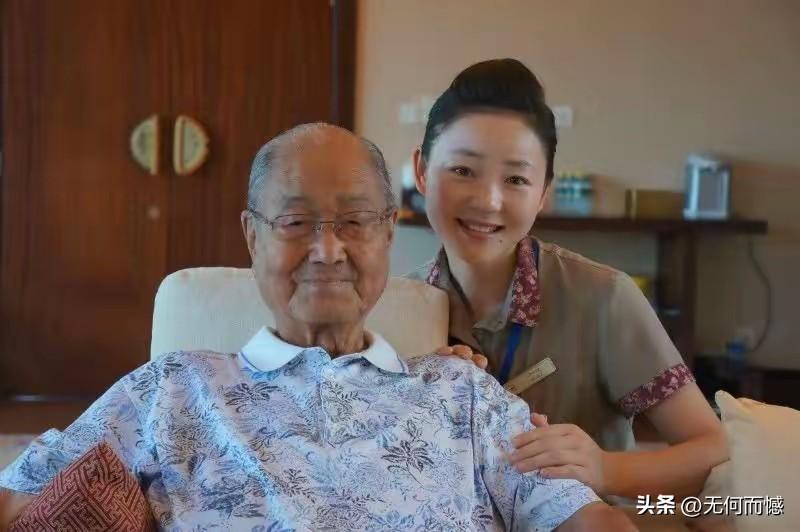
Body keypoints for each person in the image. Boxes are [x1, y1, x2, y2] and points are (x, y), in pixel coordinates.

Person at [0, 123, 633, 530]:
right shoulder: (171, 389)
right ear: (253, 236)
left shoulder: (463, 394)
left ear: (388, 235)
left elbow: (582, 517)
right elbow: (16, 497)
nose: (328, 251)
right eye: (296, 223)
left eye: (354, 222)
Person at [409, 59, 728, 500]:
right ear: (422, 171)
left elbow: (713, 446)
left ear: (543, 193)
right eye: (463, 170)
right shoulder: (395, 307)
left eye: (516, 179)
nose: (488, 200)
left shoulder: (602, 297)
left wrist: (607, 469)